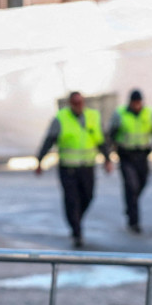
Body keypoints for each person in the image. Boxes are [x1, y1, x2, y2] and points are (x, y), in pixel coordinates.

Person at [35, 91, 112, 247]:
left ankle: (76, 220)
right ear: (70, 104)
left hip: (87, 166)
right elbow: (49, 140)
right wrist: (40, 160)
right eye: (75, 103)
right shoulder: (61, 118)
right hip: (68, 168)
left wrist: (107, 159)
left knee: (88, 196)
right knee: (71, 200)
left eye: (81, 103)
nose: (78, 106)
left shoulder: (93, 116)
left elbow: (101, 140)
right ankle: (77, 232)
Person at [105, 89, 152, 234]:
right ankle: (134, 221)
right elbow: (111, 134)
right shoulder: (120, 113)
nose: (137, 105)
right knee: (131, 186)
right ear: (130, 102)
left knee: (142, 183)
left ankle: (130, 205)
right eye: (135, 103)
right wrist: (108, 154)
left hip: (143, 155)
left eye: (139, 103)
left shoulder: (148, 113)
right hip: (126, 156)